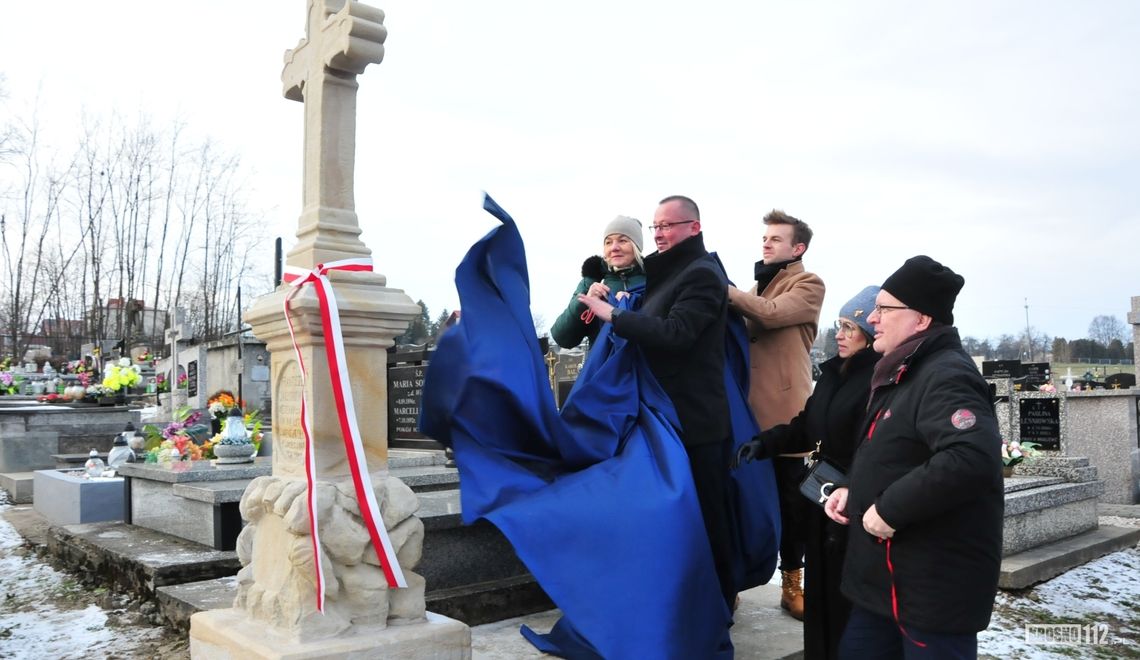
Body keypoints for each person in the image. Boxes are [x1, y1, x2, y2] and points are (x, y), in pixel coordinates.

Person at [824, 256, 1003, 658]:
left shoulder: (945, 375)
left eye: (884, 308)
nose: (873, 318)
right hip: (886, 587)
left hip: (930, 591)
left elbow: (970, 457)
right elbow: (894, 450)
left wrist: (886, 509)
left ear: (921, 319)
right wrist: (855, 488)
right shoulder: (904, 369)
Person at [577, 194, 737, 610]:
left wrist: (613, 316)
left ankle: (717, 606)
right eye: (657, 227)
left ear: (694, 228)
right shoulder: (671, 274)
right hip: (664, 420)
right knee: (674, 522)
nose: (661, 234)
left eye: (669, 225)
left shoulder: (702, 274)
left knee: (707, 518)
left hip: (694, 421)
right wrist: (612, 307)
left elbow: (676, 333)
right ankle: (681, 604)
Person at [734, 285, 881, 660]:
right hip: (821, 500)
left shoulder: (877, 382)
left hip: (850, 505)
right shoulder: (834, 373)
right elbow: (806, 423)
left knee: (842, 599)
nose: (841, 334)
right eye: (840, 325)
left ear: (872, 333)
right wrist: (764, 443)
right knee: (819, 599)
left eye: (851, 327)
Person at [727, 209, 825, 619]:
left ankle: (791, 583)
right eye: (764, 238)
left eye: (775, 239)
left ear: (797, 248)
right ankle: (733, 582)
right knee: (744, 501)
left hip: (787, 416)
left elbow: (769, 314)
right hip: (748, 415)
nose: (765, 244)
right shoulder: (757, 285)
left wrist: (720, 288)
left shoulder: (808, 284)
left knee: (791, 505)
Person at [550, 215, 647, 349]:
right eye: (608, 242)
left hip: (646, 367)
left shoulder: (655, 279)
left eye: (622, 241)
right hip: (603, 367)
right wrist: (585, 302)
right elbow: (563, 339)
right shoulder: (591, 281)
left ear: (636, 246)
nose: (614, 248)